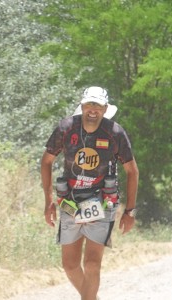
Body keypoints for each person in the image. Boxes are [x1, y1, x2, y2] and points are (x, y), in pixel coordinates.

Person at [41, 86, 139, 300]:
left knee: (92, 263)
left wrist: (130, 212)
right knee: (70, 265)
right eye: (89, 104)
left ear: (105, 109)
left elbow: (132, 171)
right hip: (70, 202)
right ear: (82, 106)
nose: (92, 109)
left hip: (102, 202)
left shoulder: (115, 133)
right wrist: (48, 201)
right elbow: (47, 161)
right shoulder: (66, 128)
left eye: (97, 105)